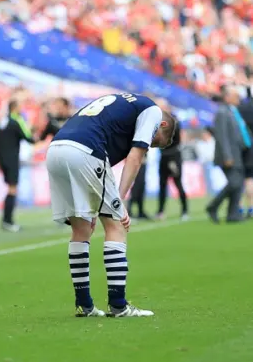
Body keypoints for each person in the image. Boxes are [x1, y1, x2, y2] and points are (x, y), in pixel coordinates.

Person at [45, 93, 175, 317]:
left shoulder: (124, 104)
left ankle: (84, 304)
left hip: (56, 149)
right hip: (85, 150)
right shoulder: (152, 111)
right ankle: (118, 305)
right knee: (117, 225)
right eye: (156, 142)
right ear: (162, 124)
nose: (150, 146)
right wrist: (120, 200)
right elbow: (135, 157)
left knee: (82, 228)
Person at [206, 87, 251, 223]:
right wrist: (227, 156)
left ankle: (233, 215)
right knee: (234, 183)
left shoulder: (232, 111)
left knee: (238, 184)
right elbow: (222, 136)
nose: (238, 98)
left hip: (237, 153)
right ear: (227, 97)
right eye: (235, 96)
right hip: (228, 155)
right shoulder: (222, 112)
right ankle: (213, 206)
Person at [0, 99, 36, 232]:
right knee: (12, 189)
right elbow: (29, 138)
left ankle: (6, 220)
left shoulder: (2, 122)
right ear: (15, 108)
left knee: (10, 188)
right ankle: (8, 221)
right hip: (12, 159)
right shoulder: (17, 121)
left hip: (2, 159)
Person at [155, 100, 189, 221]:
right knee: (162, 185)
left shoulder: (174, 121)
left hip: (173, 156)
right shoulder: (158, 121)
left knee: (178, 183)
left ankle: (185, 210)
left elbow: (174, 140)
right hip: (163, 156)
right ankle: (160, 211)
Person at [237, 86, 253, 219]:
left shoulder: (237, 110)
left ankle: (240, 207)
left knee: (239, 179)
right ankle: (251, 207)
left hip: (240, 147)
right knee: (250, 179)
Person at [126, 154, 149, 220]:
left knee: (141, 185)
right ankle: (129, 211)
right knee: (137, 186)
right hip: (137, 161)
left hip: (142, 161)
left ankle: (140, 211)